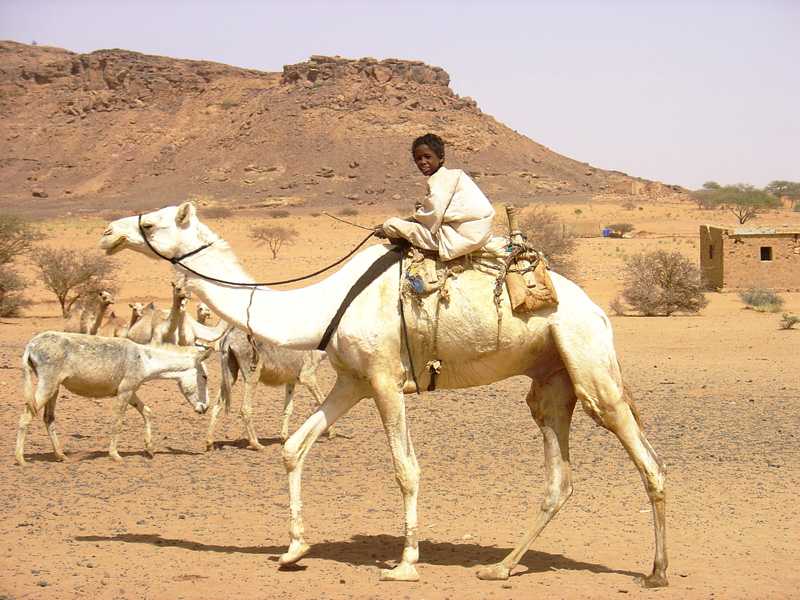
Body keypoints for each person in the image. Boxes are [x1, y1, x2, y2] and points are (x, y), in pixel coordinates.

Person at [377, 133, 495, 261]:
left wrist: (388, 228)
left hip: (460, 238)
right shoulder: (452, 175)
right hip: (477, 233)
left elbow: (431, 216)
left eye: (427, 157)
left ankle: (411, 256)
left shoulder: (441, 179)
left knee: (391, 224)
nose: (423, 162)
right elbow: (431, 214)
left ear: (441, 158)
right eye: (418, 159)